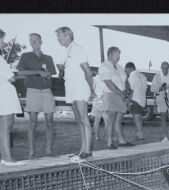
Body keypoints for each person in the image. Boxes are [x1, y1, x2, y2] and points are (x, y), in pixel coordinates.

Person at [55, 26, 94, 162]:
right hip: (71, 88)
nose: (58, 38)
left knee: (84, 119)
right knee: (79, 120)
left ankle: (87, 152)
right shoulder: (67, 51)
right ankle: (82, 151)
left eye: (59, 35)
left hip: (80, 88)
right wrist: (61, 69)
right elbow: (65, 74)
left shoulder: (77, 49)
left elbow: (87, 71)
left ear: (67, 35)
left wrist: (92, 90)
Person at [17, 33, 56, 159]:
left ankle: (49, 151)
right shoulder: (25, 56)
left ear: (41, 41)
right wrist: (37, 72)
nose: (34, 42)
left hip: (47, 91)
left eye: (36, 40)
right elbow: (20, 72)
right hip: (32, 91)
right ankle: (32, 152)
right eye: (31, 41)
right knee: (33, 122)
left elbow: (51, 75)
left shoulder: (48, 58)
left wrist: (47, 75)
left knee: (49, 122)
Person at [99, 47, 133, 149]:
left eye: (119, 54)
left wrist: (127, 91)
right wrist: (121, 93)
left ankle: (122, 141)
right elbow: (108, 83)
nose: (118, 56)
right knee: (111, 119)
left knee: (118, 119)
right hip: (110, 94)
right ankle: (109, 142)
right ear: (110, 54)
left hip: (121, 95)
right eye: (116, 54)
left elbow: (126, 81)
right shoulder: (104, 66)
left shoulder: (120, 67)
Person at [0, 29, 24, 166]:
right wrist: (24, 76)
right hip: (5, 96)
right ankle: (8, 158)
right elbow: (12, 78)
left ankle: (4, 157)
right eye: (1, 39)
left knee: (2, 129)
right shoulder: (0, 59)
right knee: (6, 128)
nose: (3, 43)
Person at [150, 61, 169, 142]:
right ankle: (165, 136)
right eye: (164, 68)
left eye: (167, 68)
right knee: (163, 116)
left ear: (168, 68)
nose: (165, 70)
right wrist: (160, 88)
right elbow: (152, 88)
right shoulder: (157, 76)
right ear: (161, 68)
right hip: (161, 97)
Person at [126, 62, 147, 140]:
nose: (126, 72)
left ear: (129, 68)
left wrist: (128, 101)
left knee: (136, 117)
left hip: (135, 99)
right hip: (142, 99)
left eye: (126, 70)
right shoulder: (143, 76)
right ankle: (139, 133)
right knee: (139, 117)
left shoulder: (132, 76)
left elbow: (131, 90)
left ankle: (140, 135)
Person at [90, 70, 105, 140]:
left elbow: (91, 88)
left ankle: (96, 136)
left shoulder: (95, 78)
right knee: (107, 120)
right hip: (105, 101)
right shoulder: (107, 78)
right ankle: (108, 137)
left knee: (97, 120)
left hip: (97, 101)